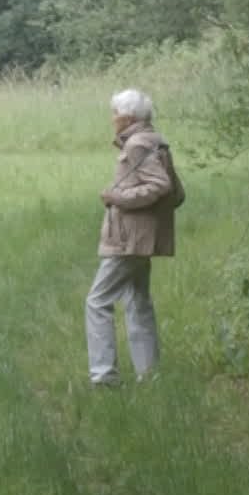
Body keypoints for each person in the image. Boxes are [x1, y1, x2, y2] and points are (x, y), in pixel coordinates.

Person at [86, 88, 184, 387]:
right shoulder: (156, 142)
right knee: (137, 300)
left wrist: (118, 197)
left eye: (115, 113)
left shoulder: (138, 144)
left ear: (127, 116)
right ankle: (150, 375)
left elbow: (161, 185)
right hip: (142, 239)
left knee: (97, 301)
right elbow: (177, 194)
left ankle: (104, 377)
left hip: (128, 239)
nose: (112, 119)